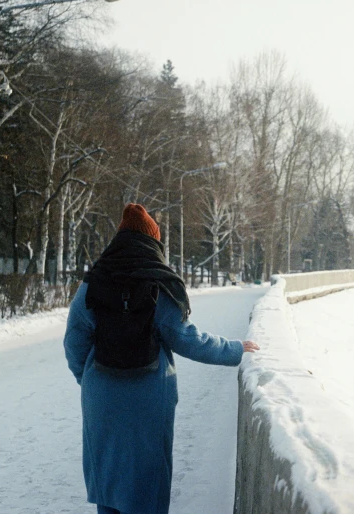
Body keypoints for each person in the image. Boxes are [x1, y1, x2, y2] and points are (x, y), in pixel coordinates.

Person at [64, 203, 259, 514]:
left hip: (101, 397)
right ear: (153, 243)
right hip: (148, 399)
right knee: (146, 481)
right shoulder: (157, 283)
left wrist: (87, 379)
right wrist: (234, 349)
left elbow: (74, 341)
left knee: (109, 479)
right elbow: (187, 338)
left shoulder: (93, 282)